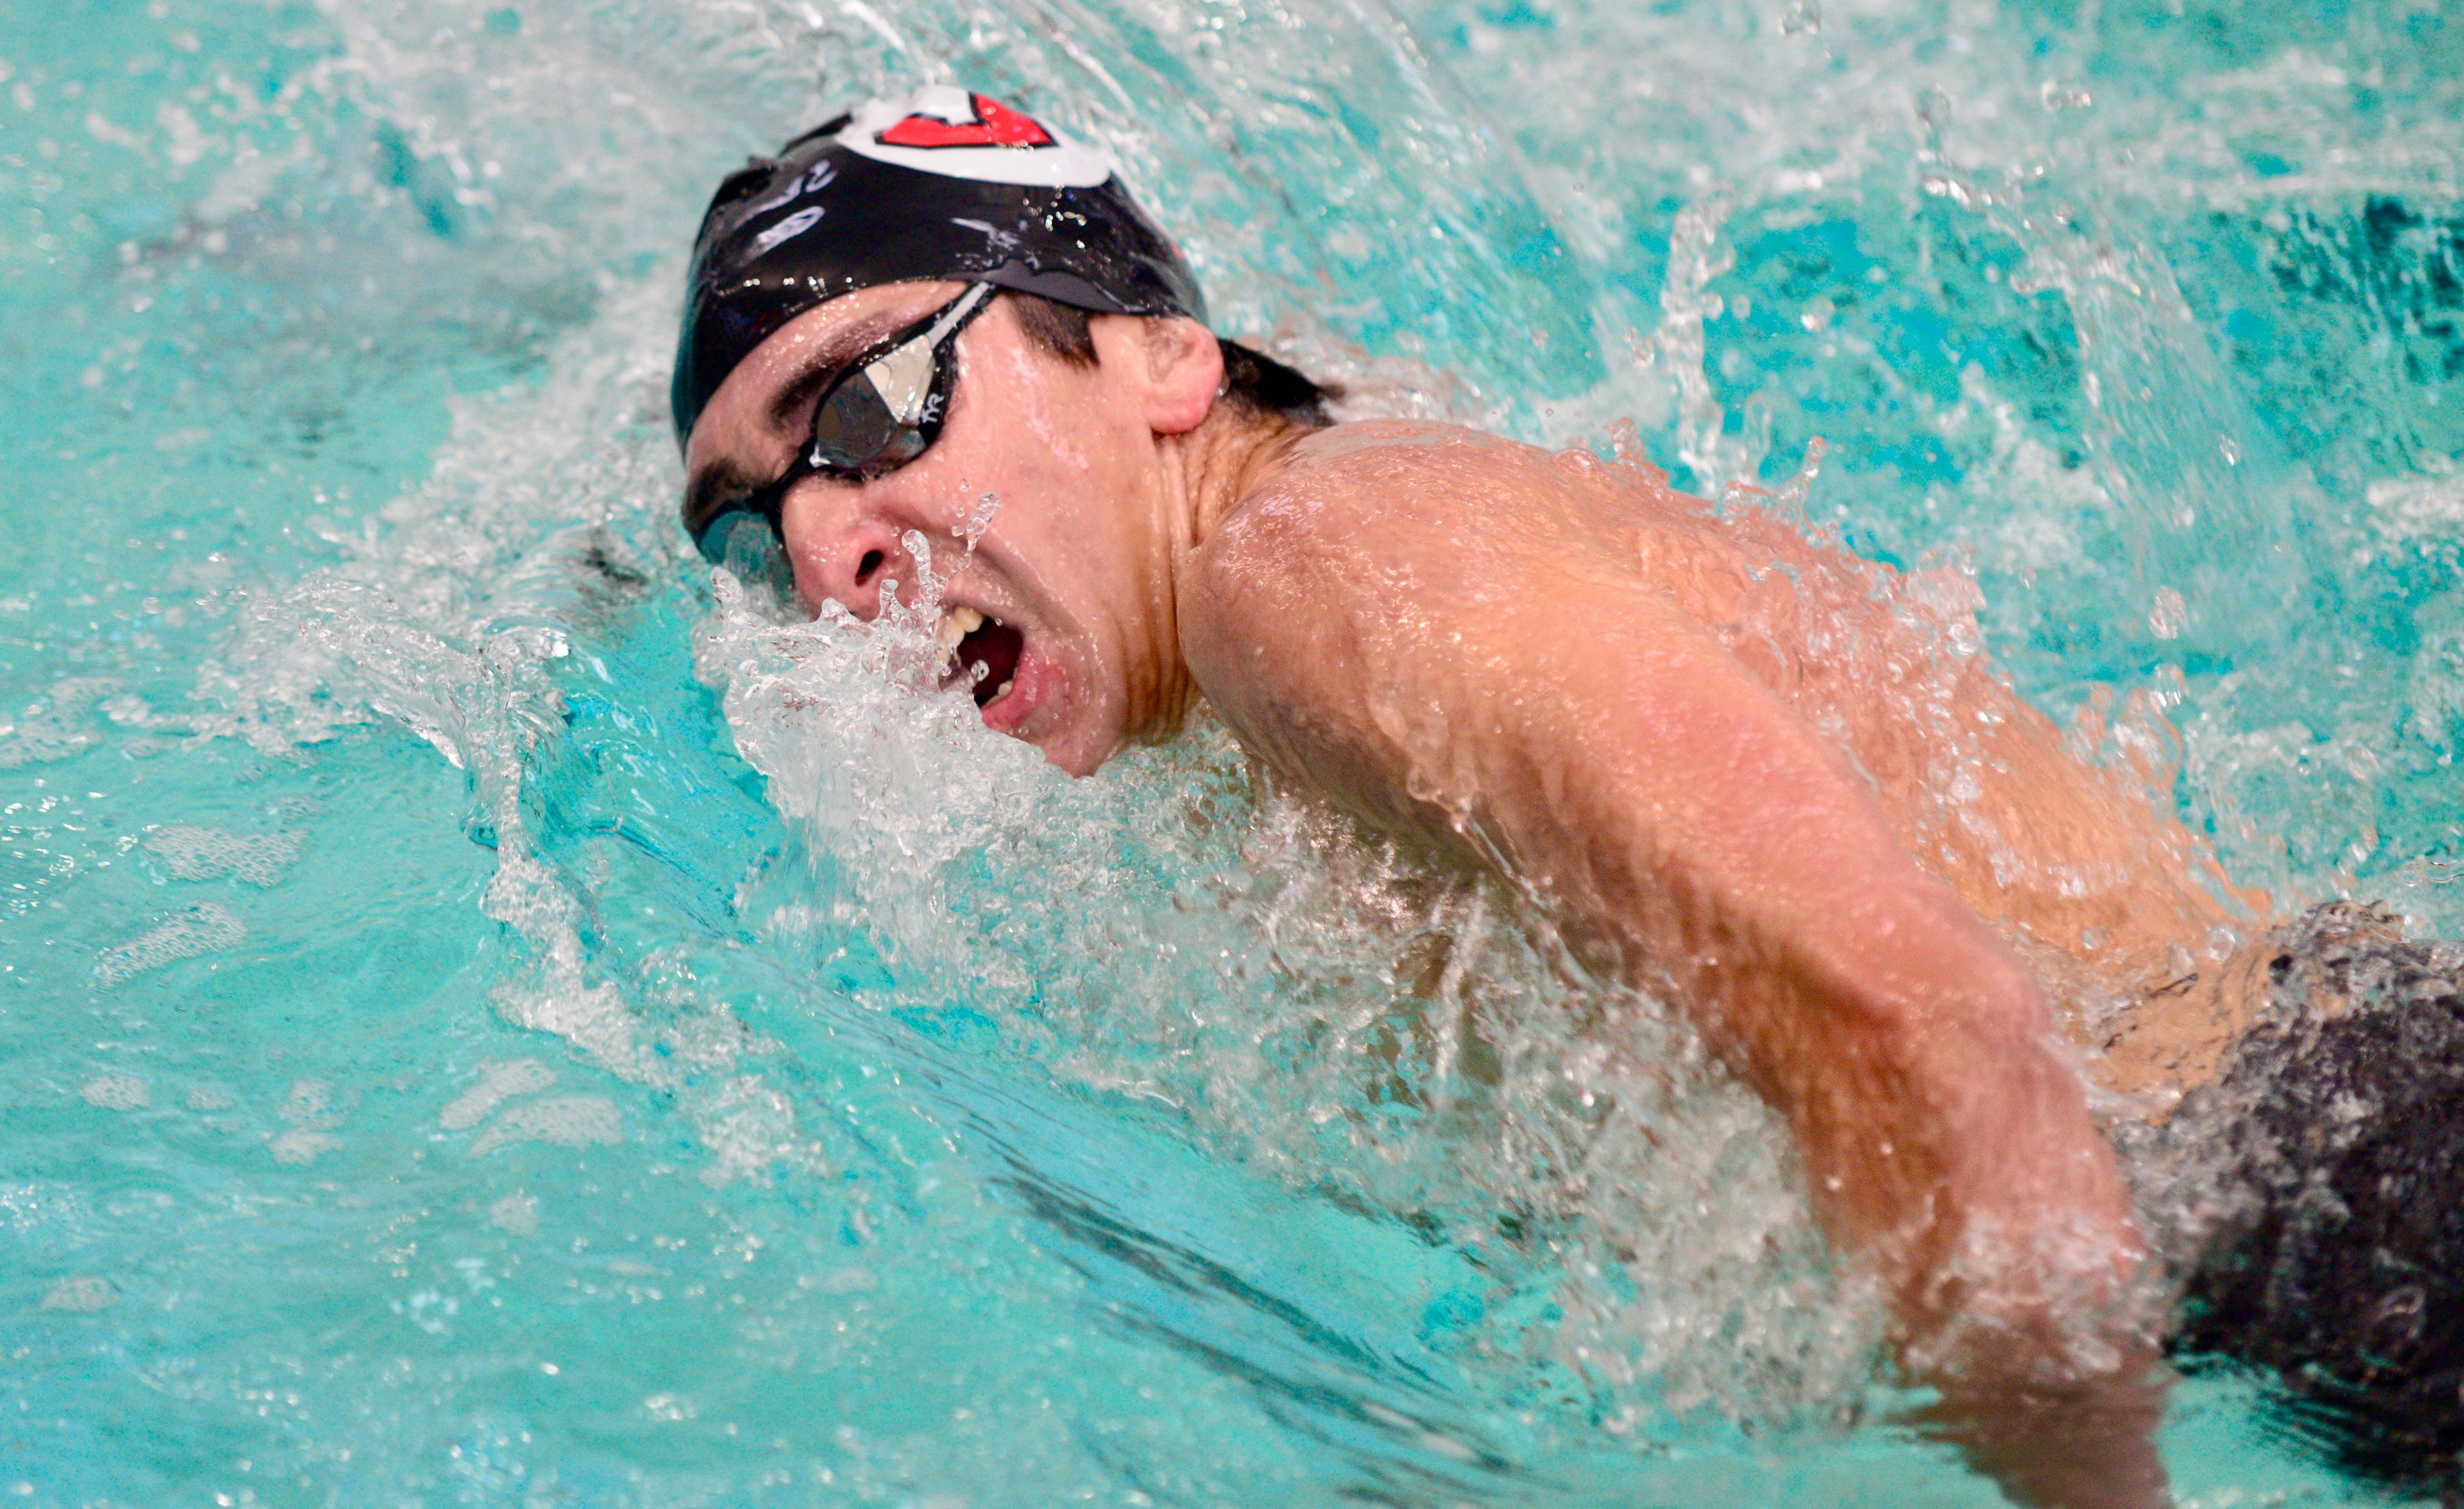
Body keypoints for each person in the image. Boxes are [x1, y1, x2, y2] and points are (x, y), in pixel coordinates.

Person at [670, 86, 2460, 1505]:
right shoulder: (1290, 583)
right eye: (758, 530)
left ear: (1160, 358)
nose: (828, 553)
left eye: (879, 405)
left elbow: (1918, 1015)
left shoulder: (1311, 573)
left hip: (2346, 1181)